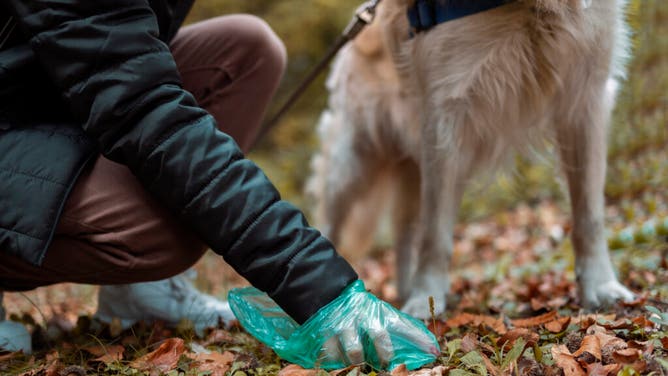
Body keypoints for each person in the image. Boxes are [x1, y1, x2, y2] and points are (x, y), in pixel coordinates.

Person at [0, 0, 438, 367]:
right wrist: (322, 287)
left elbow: (117, 55)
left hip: (34, 92)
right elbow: (145, 111)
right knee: (163, 235)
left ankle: (140, 296)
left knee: (249, 50)